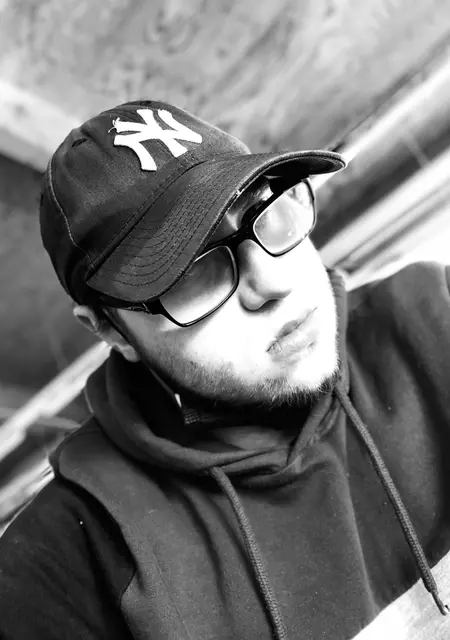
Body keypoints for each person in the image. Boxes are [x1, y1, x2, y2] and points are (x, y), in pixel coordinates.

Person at [0, 99, 449, 640]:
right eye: (192, 272)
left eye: (268, 210)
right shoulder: (63, 569)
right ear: (110, 330)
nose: (274, 283)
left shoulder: (433, 315)